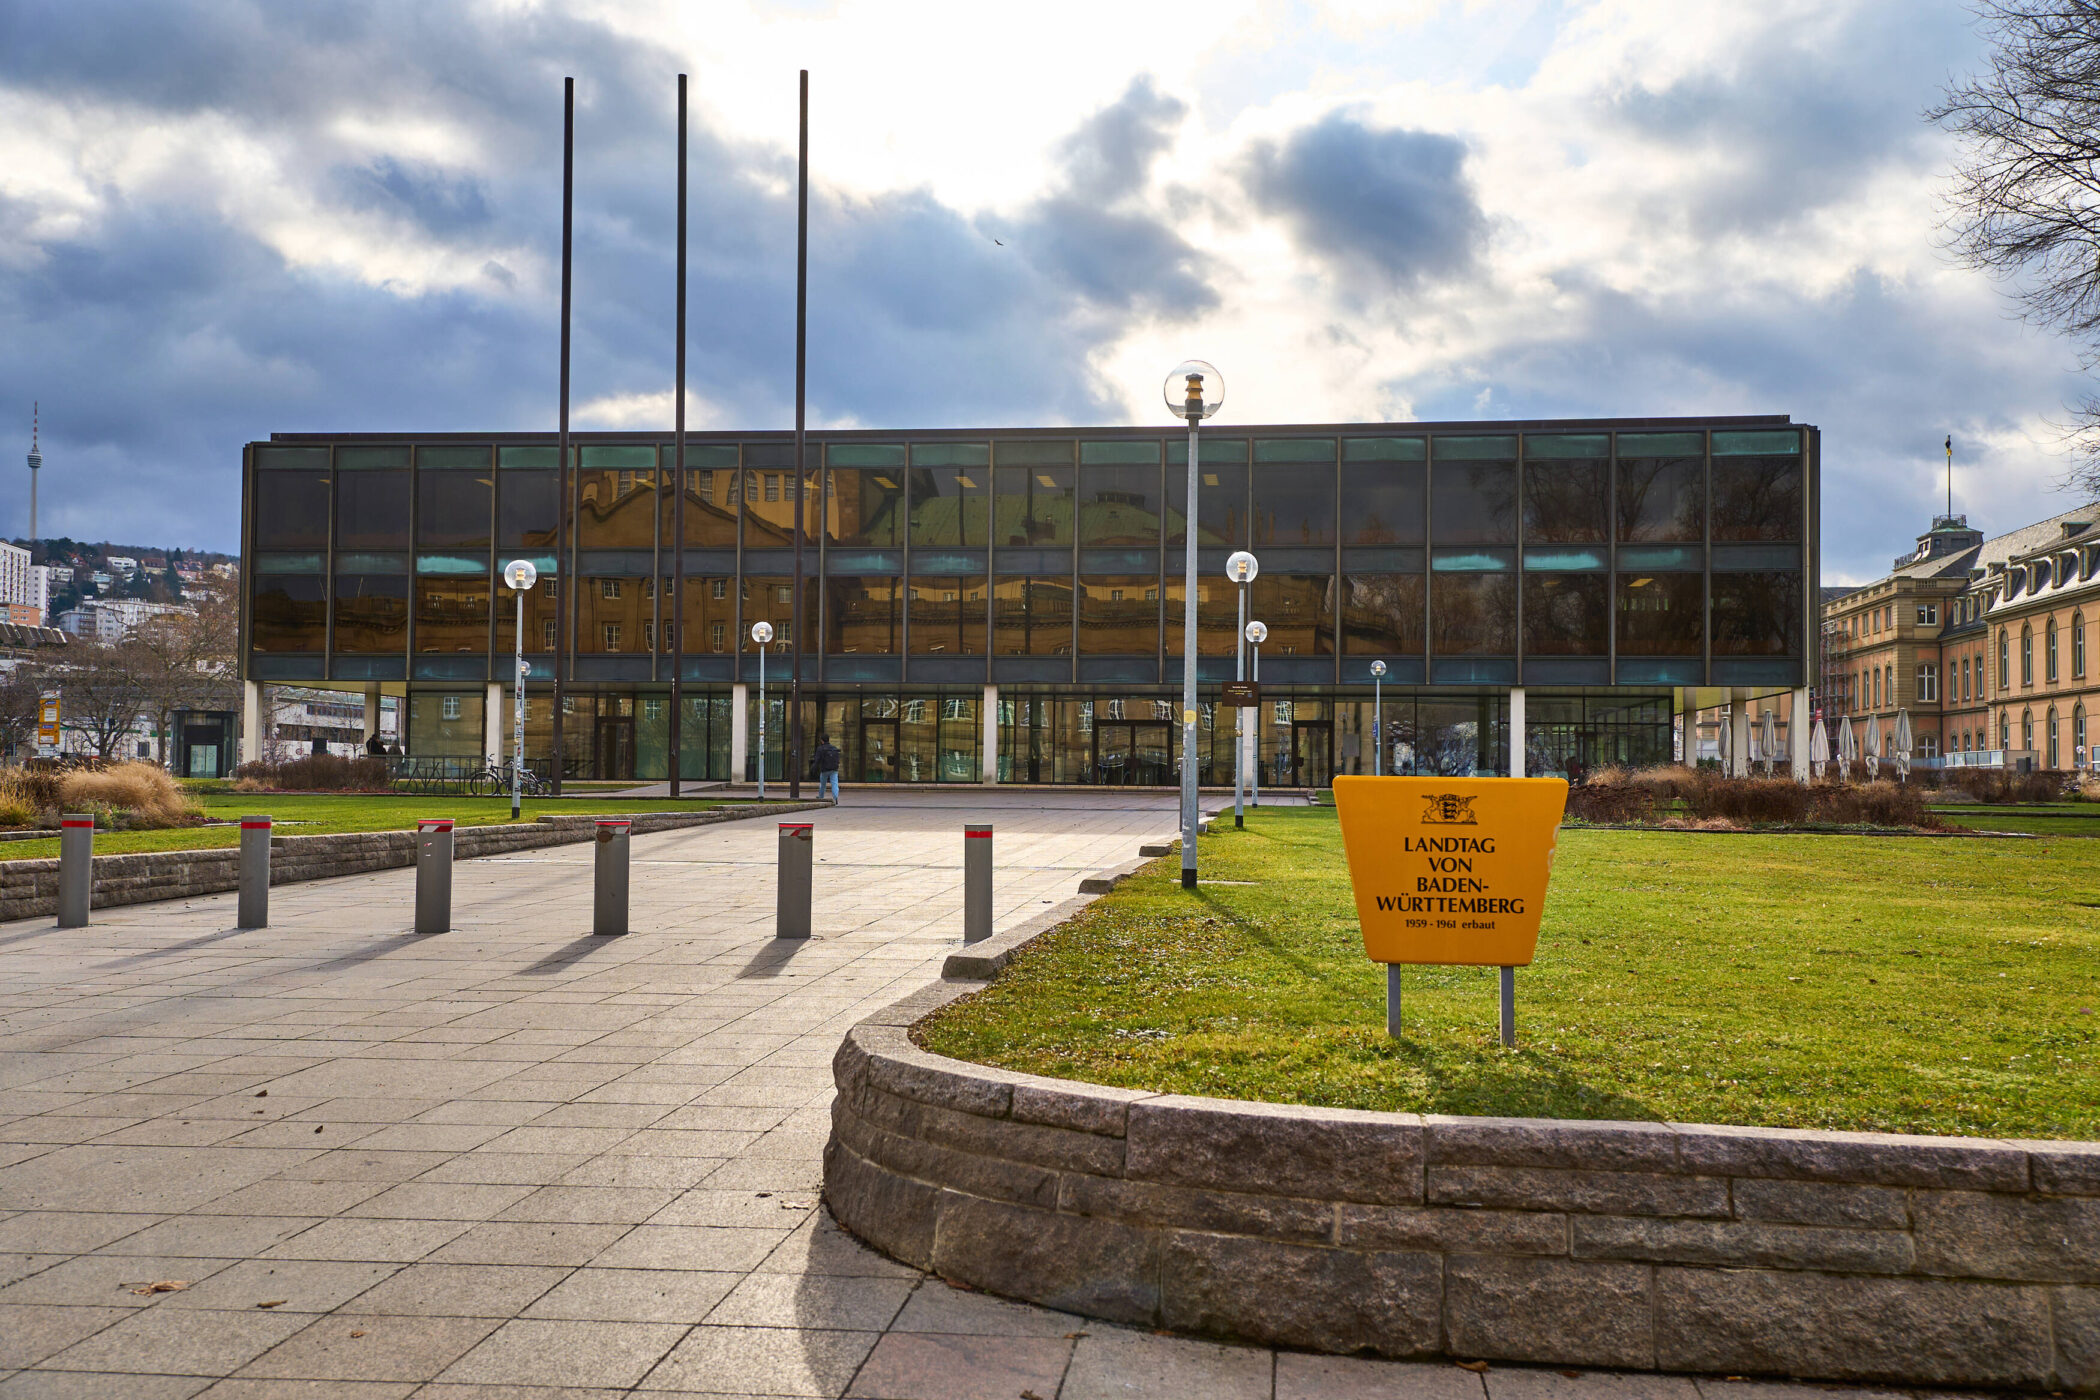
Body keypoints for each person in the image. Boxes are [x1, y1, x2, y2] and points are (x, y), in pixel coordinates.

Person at [814, 733, 842, 803]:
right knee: (834, 784)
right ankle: (835, 798)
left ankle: (821, 797)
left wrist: (814, 768)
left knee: (823, 784)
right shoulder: (834, 748)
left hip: (825, 769)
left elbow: (817, 760)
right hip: (834, 769)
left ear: (822, 740)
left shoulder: (820, 749)